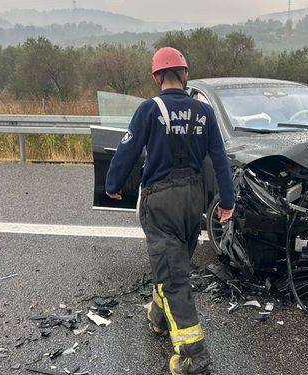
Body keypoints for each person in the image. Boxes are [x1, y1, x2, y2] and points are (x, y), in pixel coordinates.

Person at [105, 47, 235, 375]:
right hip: (194, 202)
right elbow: (220, 159)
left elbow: (127, 149)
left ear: (157, 77)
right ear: (186, 74)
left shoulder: (149, 109)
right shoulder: (204, 113)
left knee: (174, 275)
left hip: (160, 201)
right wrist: (227, 202)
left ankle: (195, 357)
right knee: (175, 264)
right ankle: (159, 316)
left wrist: (113, 184)